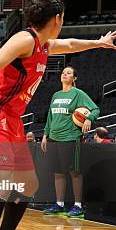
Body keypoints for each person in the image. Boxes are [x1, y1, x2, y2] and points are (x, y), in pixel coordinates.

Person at [0, 0, 115, 230]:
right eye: (63, 18)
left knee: (29, 184)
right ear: (57, 19)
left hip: (11, 121)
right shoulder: (25, 39)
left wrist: (97, 43)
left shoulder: (44, 44)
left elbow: (71, 45)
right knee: (1, 183)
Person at [42, 66, 99, 219]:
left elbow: (95, 109)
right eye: (63, 72)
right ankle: (59, 204)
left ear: (74, 78)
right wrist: (45, 134)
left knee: (74, 172)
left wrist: (88, 118)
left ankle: (78, 206)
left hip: (70, 137)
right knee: (58, 172)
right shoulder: (56, 95)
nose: (64, 74)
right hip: (54, 136)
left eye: (68, 73)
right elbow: (50, 116)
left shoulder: (78, 94)